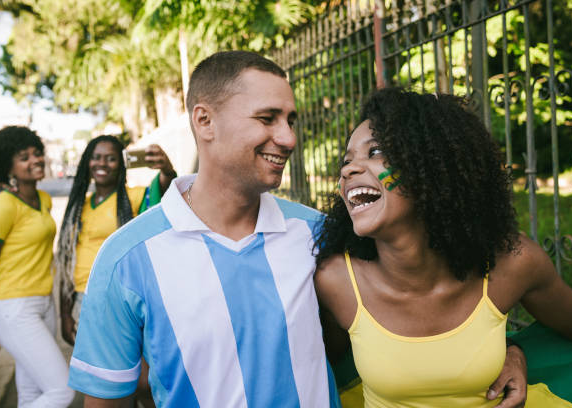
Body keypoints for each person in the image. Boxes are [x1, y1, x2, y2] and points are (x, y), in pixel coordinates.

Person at [67, 52, 525, 407]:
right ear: (203, 121)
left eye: (291, 121)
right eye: (267, 119)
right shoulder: (125, 259)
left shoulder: (322, 237)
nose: (288, 138)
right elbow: (107, 398)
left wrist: (506, 353)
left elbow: (431, 303)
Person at [313, 87, 572, 407]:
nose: (348, 169)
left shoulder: (513, 265)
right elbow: (313, 371)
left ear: (433, 167)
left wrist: (516, 352)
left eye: (375, 151)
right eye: (346, 160)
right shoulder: (336, 281)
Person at [56, 135, 176, 346]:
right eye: (96, 157)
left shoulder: (135, 197)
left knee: (126, 365)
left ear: (122, 164)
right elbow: (66, 262)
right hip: (82, 298)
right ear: (87, 162)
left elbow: (166, 190)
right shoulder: (79, 205)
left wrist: (167, 169)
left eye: (110, 158)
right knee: (94, 367)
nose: (102, 163)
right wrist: (65, 314)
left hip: (119, 298)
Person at [0, 126, 75, 407]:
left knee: (32, 394)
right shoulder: (3, 206)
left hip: (44, 304)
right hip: (14, 308)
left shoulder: (43, 200)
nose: (35, 160)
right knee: (62, 391)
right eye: (24, 157)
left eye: (37, 154)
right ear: (8, 166)